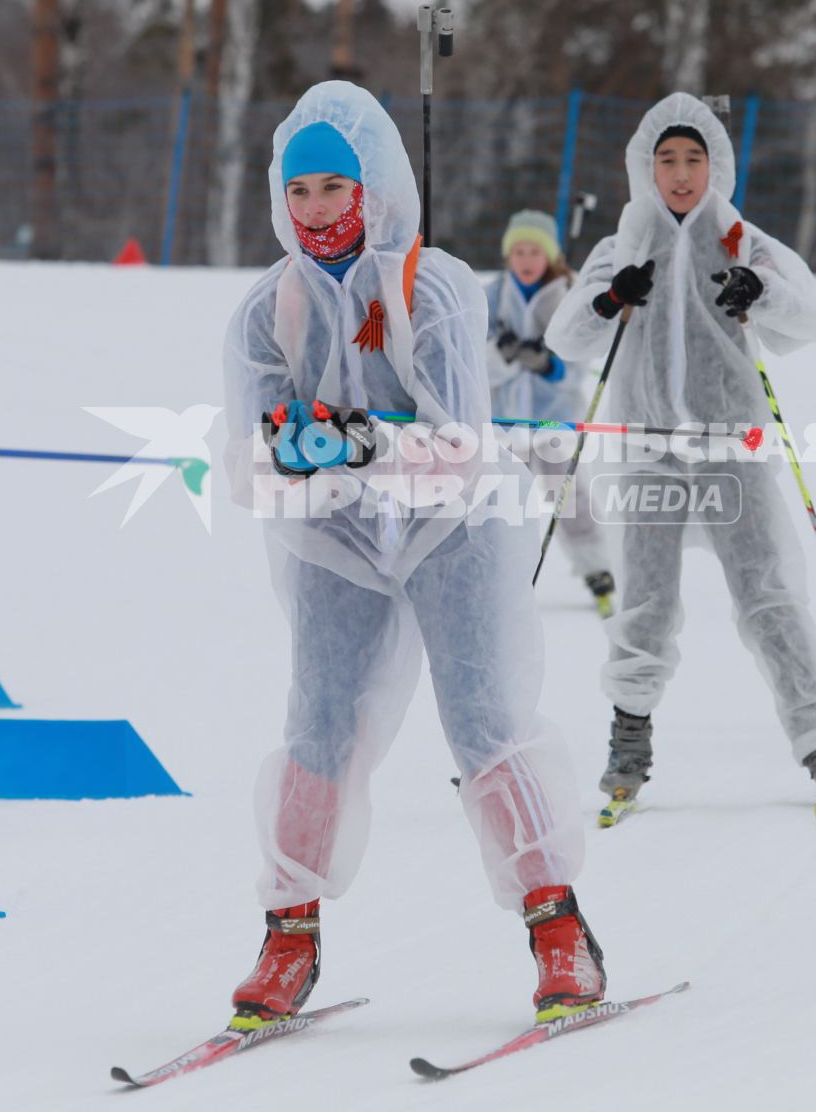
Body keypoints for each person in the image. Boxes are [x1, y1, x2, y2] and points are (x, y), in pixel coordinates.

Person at [221, 80, 603, 1028]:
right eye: (298, 189)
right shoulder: (265, 311)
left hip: (451, 531)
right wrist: (285, 450)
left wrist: (358, 440)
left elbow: (460, 444)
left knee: (481, 719)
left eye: (333, 188)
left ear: (372, 187)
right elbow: (243, 466)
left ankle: (559, 927)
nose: (314, 210)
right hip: (337, 538)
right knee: (317, 726)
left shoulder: (429, 285)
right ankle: (289, 935)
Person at [544, 93, 816, 824]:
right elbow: (567, 337)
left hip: (730, 450)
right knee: (646, 605)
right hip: (650, 451)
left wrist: (764, 294)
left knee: (768, 596)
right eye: (667, 160)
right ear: (644, 167)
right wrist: (611, 298)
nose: (681, 175)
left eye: (695, 160)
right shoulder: (620, 245)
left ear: (717, 166)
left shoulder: (744, 239)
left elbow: (810, 317)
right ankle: (629, 747)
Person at [486, 208, 615, 615]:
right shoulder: (493, 295)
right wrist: (503, 354)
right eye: (518, 252)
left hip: (554, 420)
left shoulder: (567, 294)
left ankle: (596, 571)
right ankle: (503, 574)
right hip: (507, 422)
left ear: (550, 257)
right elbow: (474, 355)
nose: (526, 260)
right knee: (505, 501)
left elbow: (581, 357)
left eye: (534, 252)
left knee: (570, 499)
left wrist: (548, 363)